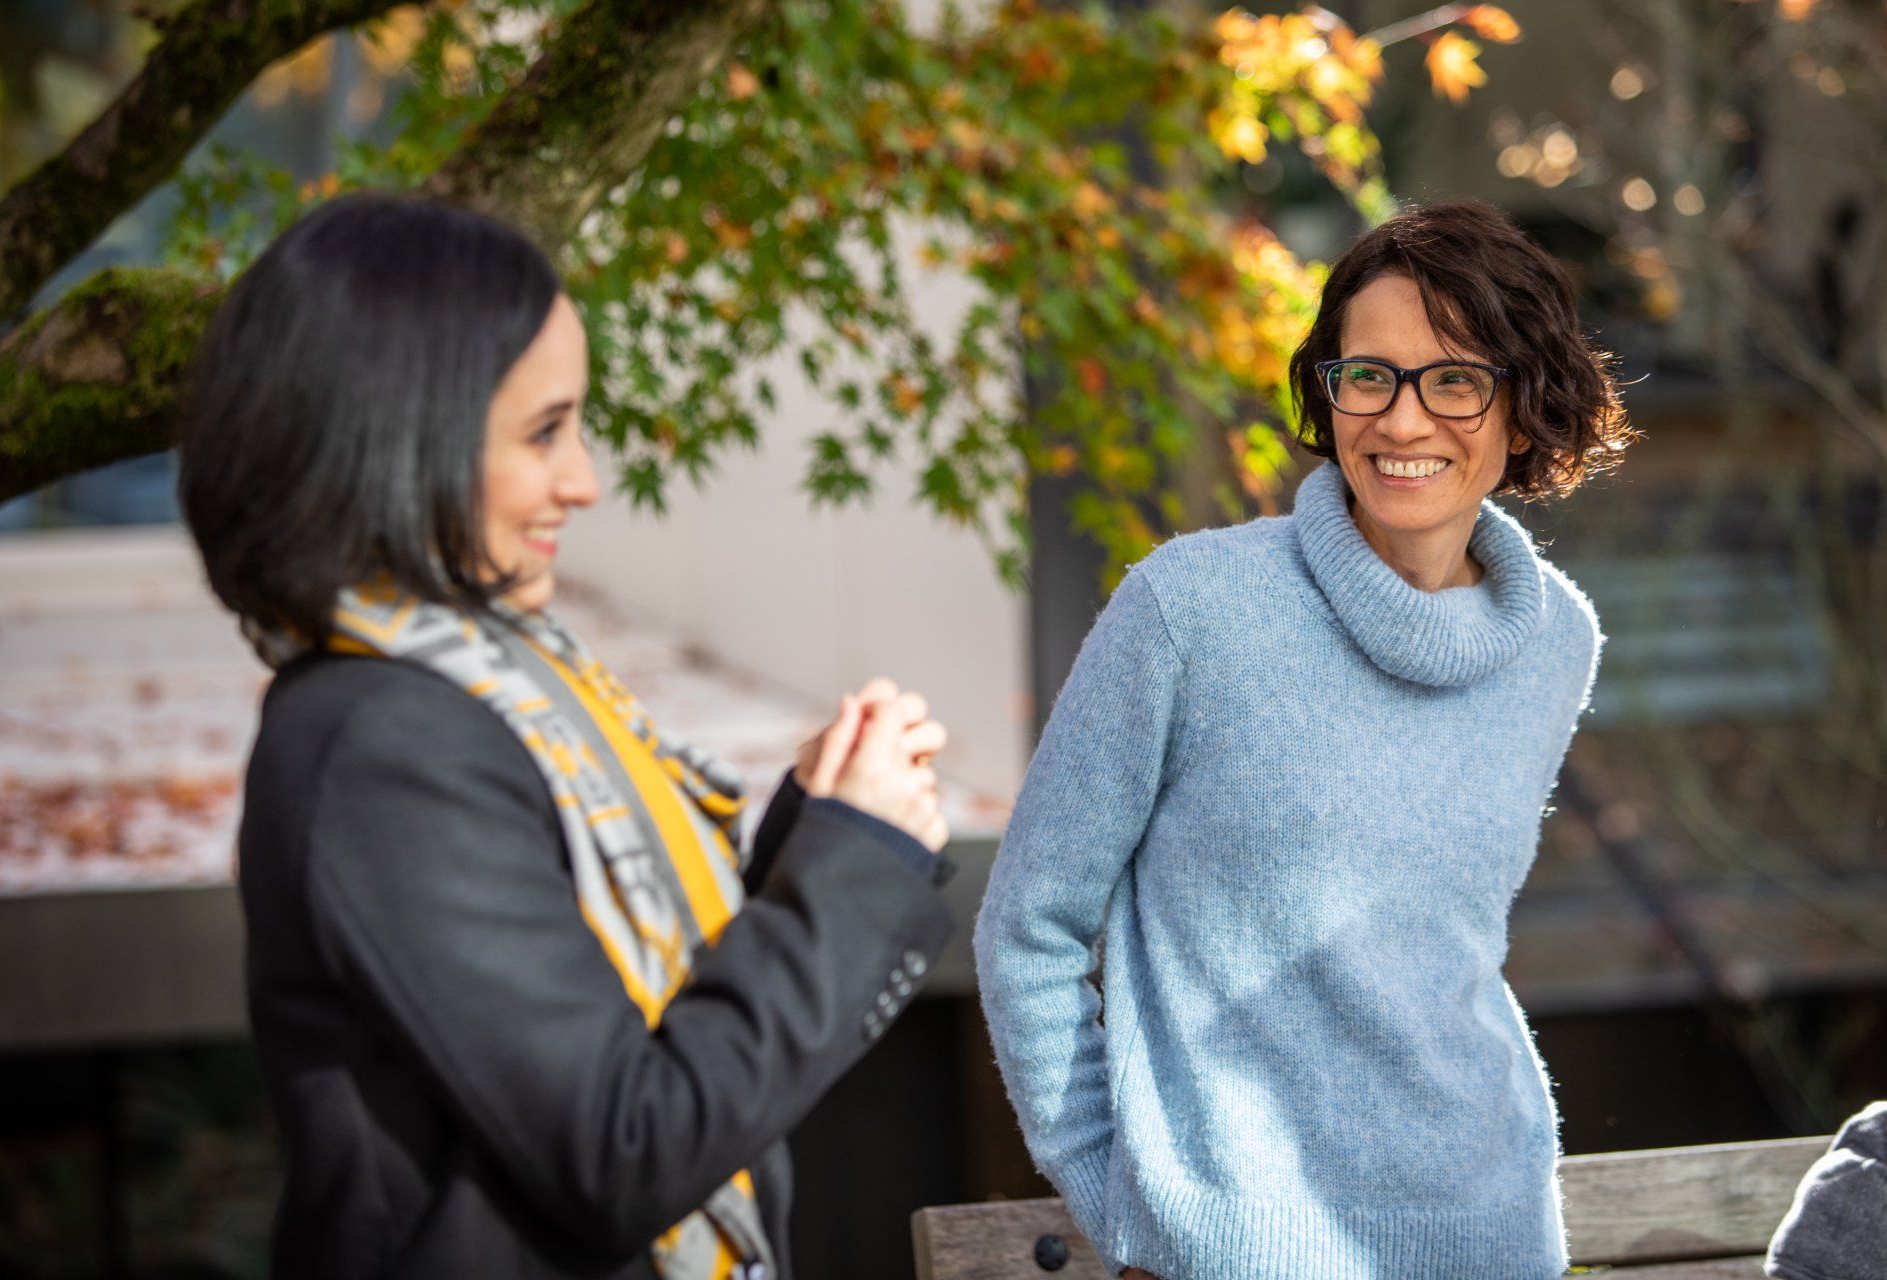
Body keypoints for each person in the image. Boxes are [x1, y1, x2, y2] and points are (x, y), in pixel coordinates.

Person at [179, 193, 956, 1279]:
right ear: (400, 442)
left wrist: (815, 836)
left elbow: (645, 1016)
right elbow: (625, 1145)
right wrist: (848, 871)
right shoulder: (383, 745)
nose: (584, 481)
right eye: (545, 432)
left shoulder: (491, 689)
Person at [974, 200, 1636, 1280]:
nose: (1403, 419)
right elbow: (1028, 929)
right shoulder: (1189, 610)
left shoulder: (1556, 639)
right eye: (1367, 374)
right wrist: (1126, 1196)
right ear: (1327, 395)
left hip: (1495, 1235)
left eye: (1455, 378)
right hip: (1237, 1250)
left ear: (1524, 408)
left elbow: (1441, 946)